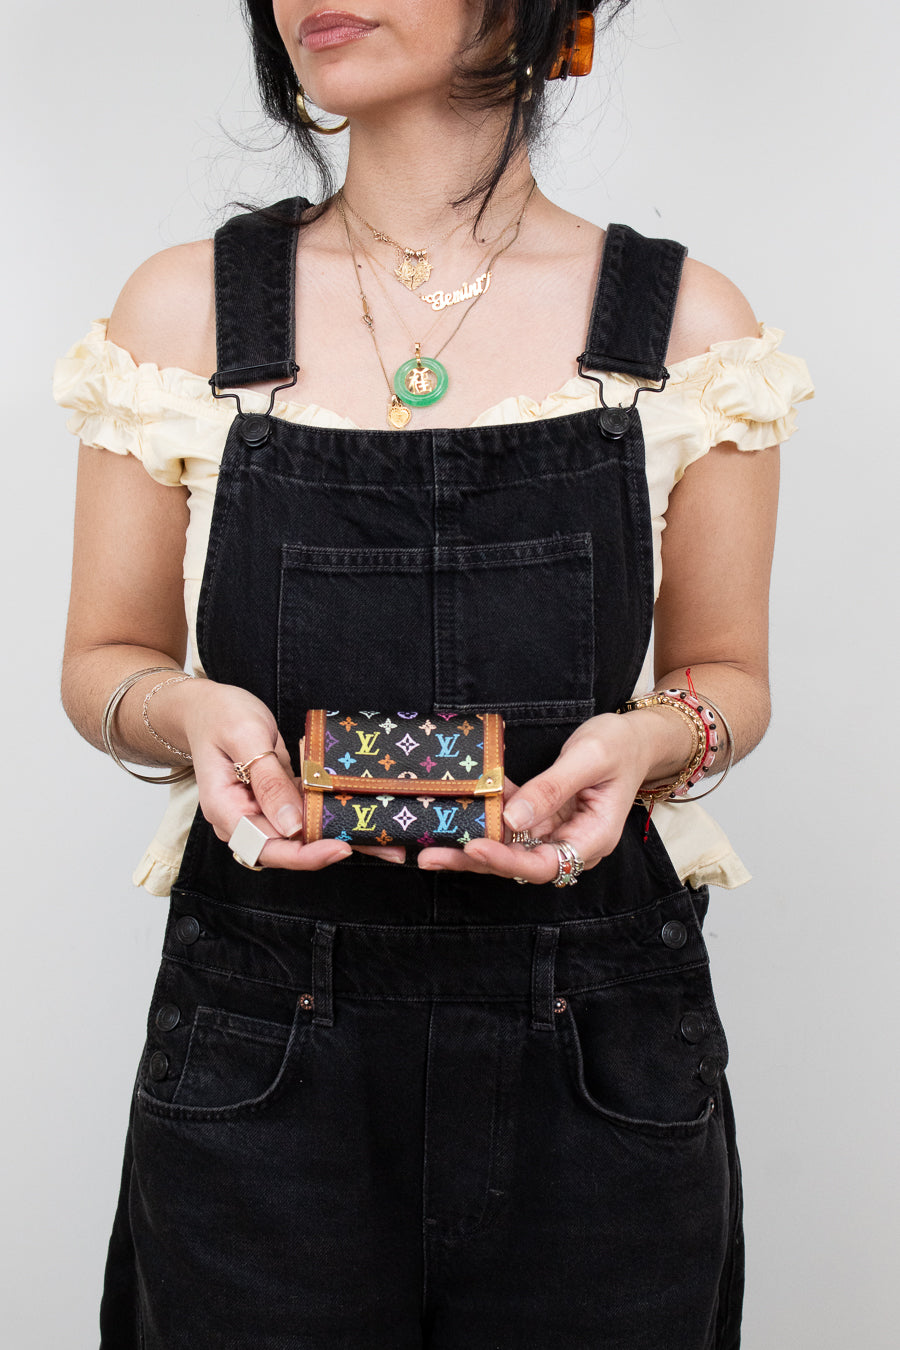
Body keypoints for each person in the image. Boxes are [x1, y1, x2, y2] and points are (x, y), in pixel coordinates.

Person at [54, 2, 813, 1346]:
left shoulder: (691, 326)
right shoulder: (184, 311)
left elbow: (729, 676)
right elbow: (103, 662)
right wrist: (189, 713)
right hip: (261, 1041)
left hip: (597, 1046)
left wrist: (647, 742)